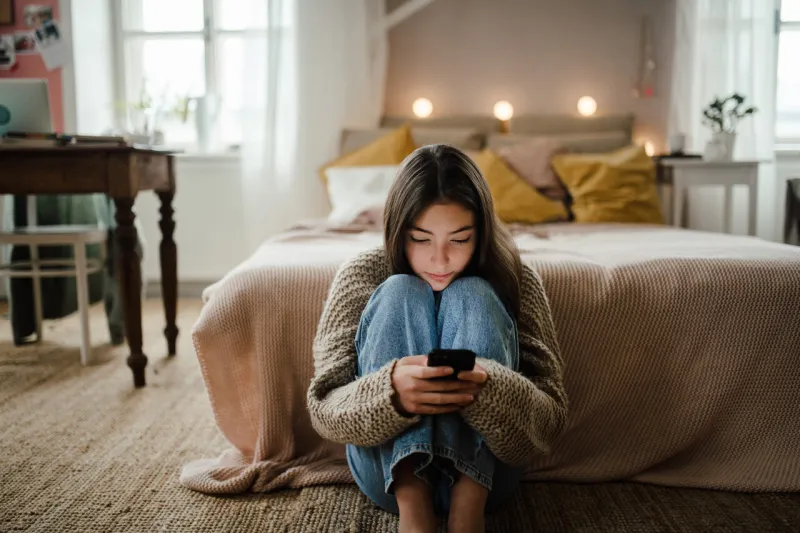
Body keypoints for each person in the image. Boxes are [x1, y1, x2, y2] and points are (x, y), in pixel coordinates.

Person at [307, 144, 568, 533]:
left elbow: (550, 420)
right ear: (398, 229)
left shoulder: (516, 277)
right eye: (421, 238)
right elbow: (324, 407)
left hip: (490, 478)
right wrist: (389, 393)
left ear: (480, 232)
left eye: (459, 239)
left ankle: (468, 509)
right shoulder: (361, 274)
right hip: (389, 479)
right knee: (400, 289)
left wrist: (491, 389)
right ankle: (414, 515)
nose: (440, 260)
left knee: (473, 291)